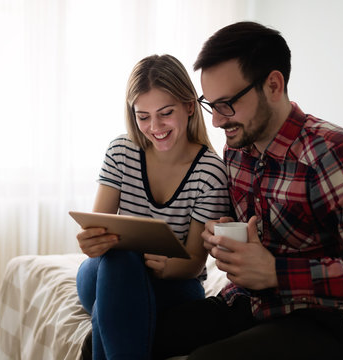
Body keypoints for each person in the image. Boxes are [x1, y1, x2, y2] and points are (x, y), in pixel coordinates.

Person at [152, 21, 343, 360]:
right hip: (249, 302)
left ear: (273, 85)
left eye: (227, 104)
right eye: (210, 104)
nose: (215, 120)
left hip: (326, 320)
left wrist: (276, 271)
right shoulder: (237, 150)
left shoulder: (336, 155)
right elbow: (252, 230)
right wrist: (220, 234)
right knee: (119, 335)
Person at [75, 54, 231, 360]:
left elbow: (195, 264)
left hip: (175, 285)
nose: (154, 126)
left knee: (117, 288)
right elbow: (100, 226)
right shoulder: (121, 151)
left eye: (165, 113)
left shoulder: (210, 172)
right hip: (105, 273)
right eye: (142, 116)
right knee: (119, 260)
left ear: (189, 107)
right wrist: (91, 244)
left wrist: (170, 266)